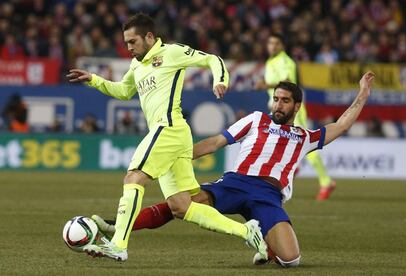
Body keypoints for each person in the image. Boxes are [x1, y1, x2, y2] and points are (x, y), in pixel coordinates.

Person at [93, 72, 375, 267]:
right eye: (276, 98)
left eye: (285, 100)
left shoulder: (306, 137)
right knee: (180, 205)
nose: (278, 104)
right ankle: (119, 226)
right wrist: (176, 155)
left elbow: (342, 124)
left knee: (291, 260)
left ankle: (264, 242)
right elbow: (216, 142)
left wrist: (362, 94)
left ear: (296, 106)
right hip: (235, 183)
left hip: (268, 195)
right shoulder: (255, 120)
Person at [66, 13, 267, 262]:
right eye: (126, 42)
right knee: (181, 206)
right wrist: (94, 80)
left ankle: (118, 244)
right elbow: (124, 91)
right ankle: (248, 231)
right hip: (175, 134)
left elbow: (212, 59)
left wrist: (220, 80)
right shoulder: (136, 65)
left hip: (168, 128)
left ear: (149, 37)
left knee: (134, 176)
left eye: (133, 41)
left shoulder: (172, 53)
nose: (128, 48)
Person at [254, 33, 336, 200]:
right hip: (277, 109)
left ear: (282, 45)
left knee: (306, 142)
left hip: (291, 109)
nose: (272, 46)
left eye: (276, 43)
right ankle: (286, 171)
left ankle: (326, 182)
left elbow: (288, 82)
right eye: (270, 43)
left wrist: (265, 85)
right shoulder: (271, 61)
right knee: (274, 142)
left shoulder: (285, 61)